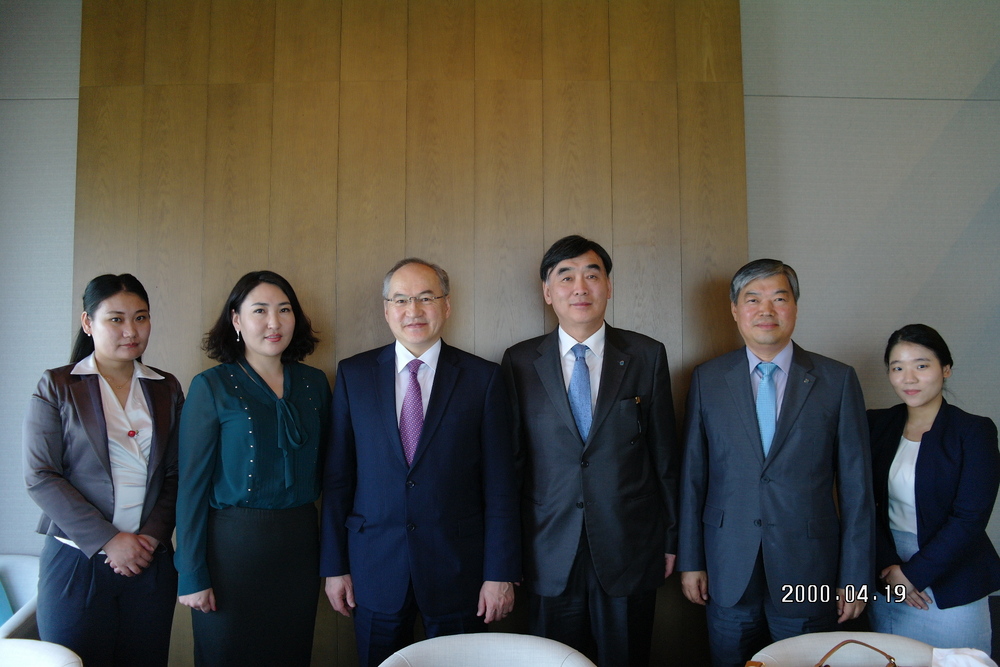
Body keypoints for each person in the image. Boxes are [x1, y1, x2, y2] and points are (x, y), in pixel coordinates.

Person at [320, 258, 520, 667]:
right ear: (386, 309)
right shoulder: (354, 375)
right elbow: (338, 480)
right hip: (373, 568)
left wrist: (499, 573)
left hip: (459, 572)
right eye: (401, 299)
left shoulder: (483, 378)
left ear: (446, 306)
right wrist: (334, 567)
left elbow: (501, 485)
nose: (413, 310)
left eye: (426, 298)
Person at [677, 258, 874, 667]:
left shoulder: (836, 380)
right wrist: (691, 561)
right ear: (735, 310)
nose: (766, 310)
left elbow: (858, 489)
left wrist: (856, 578)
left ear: (795, 307)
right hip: (727, 567)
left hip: (809, 570)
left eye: (779, 298)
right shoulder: (708, 379)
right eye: (753, 299)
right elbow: (693, 478)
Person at [500, 235, 678, 667]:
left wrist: (673, 538)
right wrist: (507, 552)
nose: (580, 287)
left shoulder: (646, 355)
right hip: (546, 548)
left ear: (608, 287)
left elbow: (665, 457)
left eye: (592, 275)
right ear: (547, 292)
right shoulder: (519, 362)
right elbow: (512, 464)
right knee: (552, 659)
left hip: (629, 546)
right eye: (566, 277)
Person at [23, 274, 183, 667]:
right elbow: (41, 475)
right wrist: (109, 540)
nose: (131, 330)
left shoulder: (166, 387)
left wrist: (150, 538)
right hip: (76, 562)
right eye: (116, 319)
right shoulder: (58, 385)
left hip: (149, 560)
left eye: (141, 317)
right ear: (88, 322)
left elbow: (177, 474)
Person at [175, 270, 330, 666]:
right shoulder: (211, 386)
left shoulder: (314, 383)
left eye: (284, 310)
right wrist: (191, 573)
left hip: (300, 547)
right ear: (236, 320)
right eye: (259, 310)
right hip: (231, 551)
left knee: (291, 655)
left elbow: (334, 477)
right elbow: (190, 487)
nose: (274, 322)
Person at [867, 324, 1000, 652]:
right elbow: (862, 503)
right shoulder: (875, 424)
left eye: (921, 365)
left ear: (946, 369)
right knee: (892, 656)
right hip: (888, 572)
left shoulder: (973, 431)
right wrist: (890, 571)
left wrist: (913, 574)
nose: (908, 378)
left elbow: (969, 518)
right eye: (897, 368)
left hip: (951, 572)